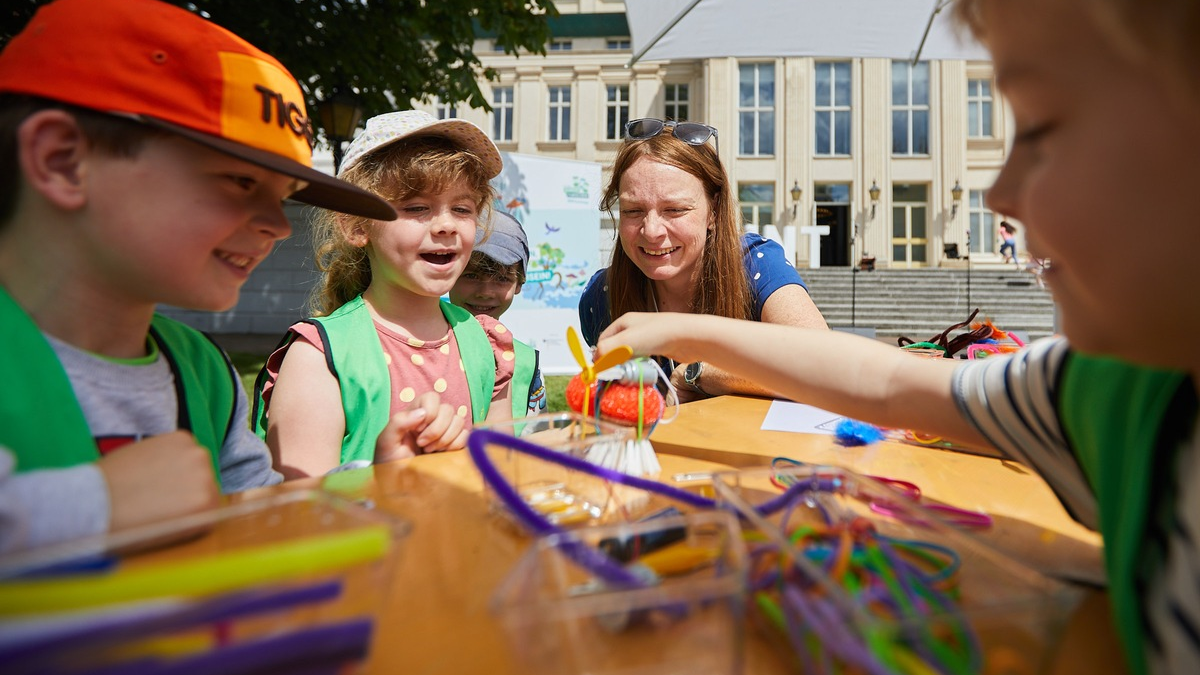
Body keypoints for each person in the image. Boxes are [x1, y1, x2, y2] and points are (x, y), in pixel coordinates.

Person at [596, 0, 1200, 673]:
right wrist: (682, 327)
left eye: (1044, 127)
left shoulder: (1115, 401)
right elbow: (886, 381)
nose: (996, 192)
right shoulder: (1102, 394)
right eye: (633, 212)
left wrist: (690, 355)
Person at [0, 0, 400, 552]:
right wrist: (96, 507)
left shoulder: (202, 371)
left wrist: (379, 475)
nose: (279, 227)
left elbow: (257, 520)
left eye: (283, 197)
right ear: (61, 159)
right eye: (239, 181)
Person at [254, 110, 515, 479]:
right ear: (357, 226)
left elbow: (501, 472)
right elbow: (301, 515)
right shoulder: (319, 359)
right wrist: (382, 478)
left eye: (462, 208)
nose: (445, 225)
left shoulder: (485, 343)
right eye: (416, 207)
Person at [578, 117, 827, 402]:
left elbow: (824, 364)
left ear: (714, 210)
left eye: (674, 209)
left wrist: (699, 373)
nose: (652, 231)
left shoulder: (756, 264)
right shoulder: (602, 297)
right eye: (633, 211)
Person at [449, 211, 547, 416]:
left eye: (502, 279)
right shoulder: (421, 345)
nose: (485, 292)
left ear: (519, 283)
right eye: (471, 275)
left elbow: (535, 438)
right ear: (448, 274)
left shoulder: (527, 363)